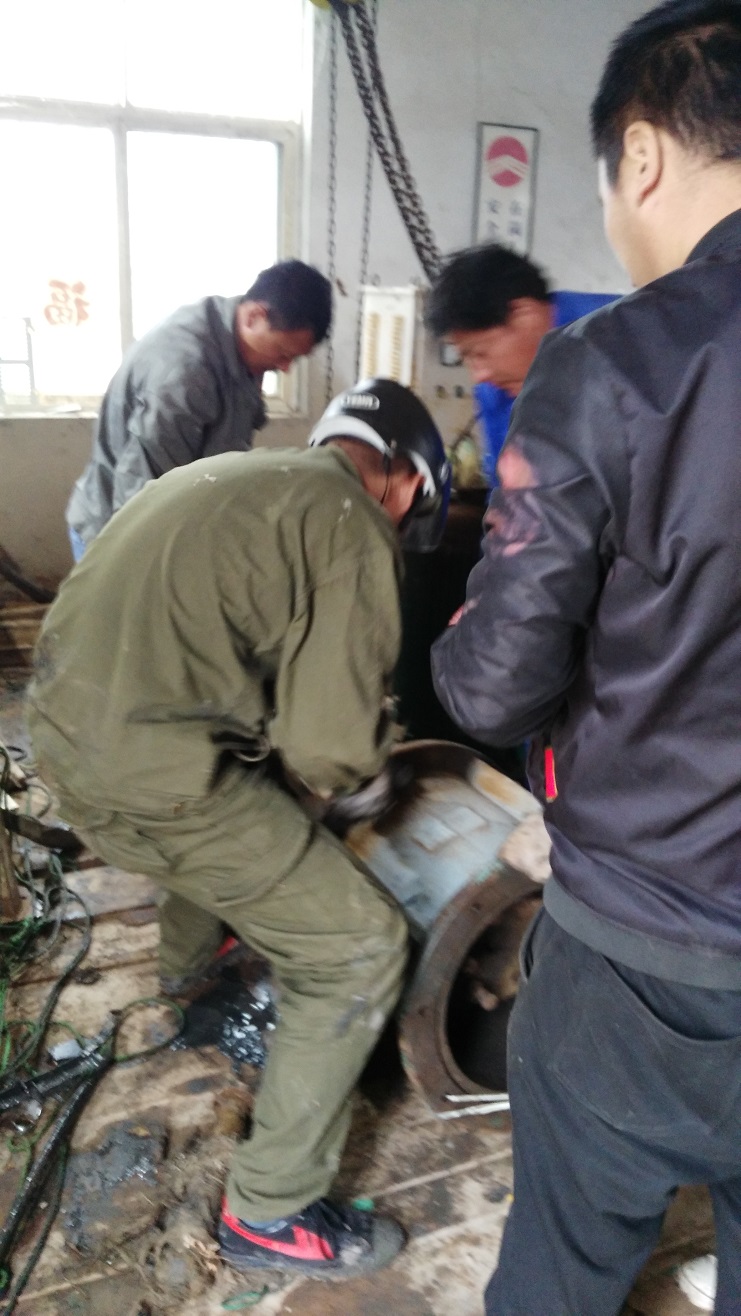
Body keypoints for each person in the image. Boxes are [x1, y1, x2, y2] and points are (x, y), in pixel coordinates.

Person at [431, 2, 741, 1313]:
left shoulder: (615, 365)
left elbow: (494, 680)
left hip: (648, 945)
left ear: (644, 153)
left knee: (565, 1260)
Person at [29, 379, 451, 1280]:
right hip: (142, 776)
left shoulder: (242, 478)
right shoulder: (349, 521)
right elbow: (329, 746)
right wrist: (366, 774)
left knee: (241, 782)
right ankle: (271, 1210)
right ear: (406, 479)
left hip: (62, 737)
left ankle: (192, 985)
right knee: (358, 945)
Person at [65, 259, 332, 559]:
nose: (285, 367)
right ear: (254, 316)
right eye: (282, 353)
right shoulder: (185, 374)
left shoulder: (238, 336)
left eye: (294, 358)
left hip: (178, 519)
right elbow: (141, 495)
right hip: (120, 538)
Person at [425, 244, 617, 485]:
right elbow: (507, 493)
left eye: (480, 353)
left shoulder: (628, 335)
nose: (479, 375)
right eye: (466, 359)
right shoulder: (496, 390)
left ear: (525, 316)